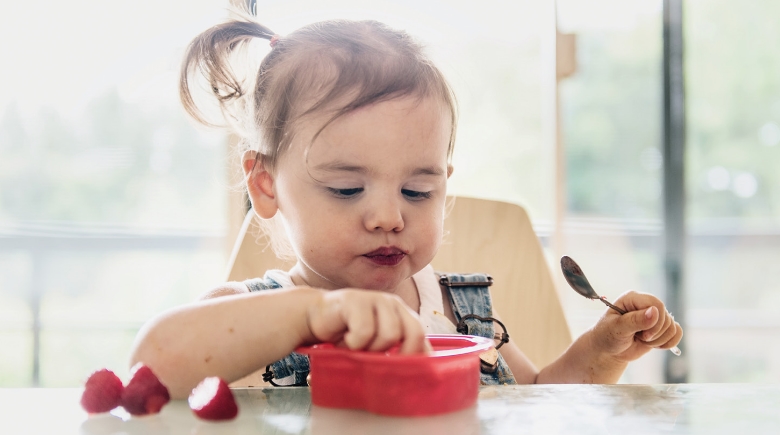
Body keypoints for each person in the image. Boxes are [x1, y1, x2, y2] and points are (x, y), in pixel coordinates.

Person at [130, 9, 683, 399]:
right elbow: (150, 365)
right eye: (347, 189)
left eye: (418, 191)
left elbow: (537, 403)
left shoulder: (459, 311)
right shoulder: (247, 314)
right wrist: (308, 316)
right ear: (266, 184)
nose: (390, 217)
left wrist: (600, 354)